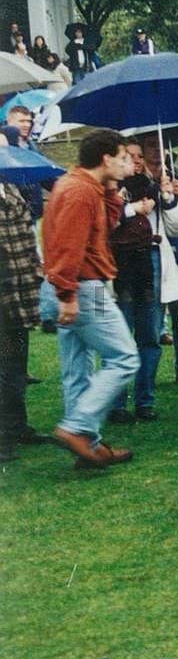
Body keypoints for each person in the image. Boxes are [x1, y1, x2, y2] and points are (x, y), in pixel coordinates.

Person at [42, 129, 139, 468]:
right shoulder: (81, 191)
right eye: (123, 156)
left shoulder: (82, 185)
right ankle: (78, 428)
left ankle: (88, 445)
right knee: (125, 358)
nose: (128, 163)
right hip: (83, 287)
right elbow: (69, 246)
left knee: (77, 369)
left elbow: (103, 228)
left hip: (71, 286)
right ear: (106, 158)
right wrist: (67, 295)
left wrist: (112, 190)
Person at [106, 138, 178, 424]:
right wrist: (131, 209)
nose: (137, 161)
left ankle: (145, 400)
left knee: (149, 334)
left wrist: (168, 199)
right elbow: (105, 222)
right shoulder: (110, 189)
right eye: (129, 156)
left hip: (151, 261)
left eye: (139, 155)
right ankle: (116, 402)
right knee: (120, 333)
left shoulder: (153, 186)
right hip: (120, 264)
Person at [0, 174, 53, 462]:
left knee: (16, 365)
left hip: (20, 288)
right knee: (4, 368)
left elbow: (26, 235)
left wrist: (35, 270)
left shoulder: (11, 188)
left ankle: (17, 427)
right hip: (3, 290)